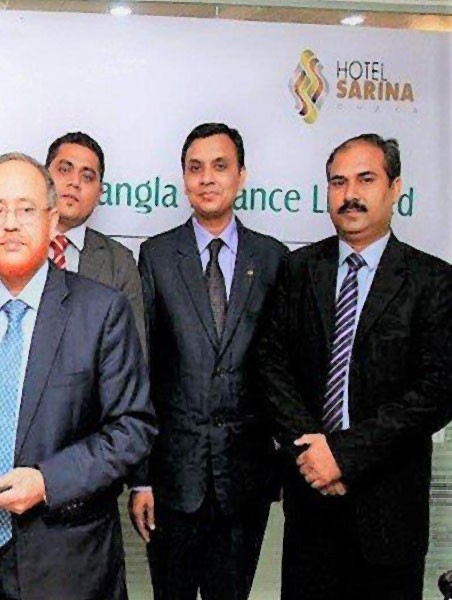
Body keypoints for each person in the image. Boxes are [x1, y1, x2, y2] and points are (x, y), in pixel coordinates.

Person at [0, 152, 155, 600]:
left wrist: (47, 481)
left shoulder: (101, 311)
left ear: (52, 220)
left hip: (69, 564)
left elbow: (132, 428)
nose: (11, 223)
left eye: (25, 209)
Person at [254, 134, 452, 599]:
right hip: (310, 505)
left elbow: (436, 392)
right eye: (338, 182)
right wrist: (311, 451)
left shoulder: (433, 281)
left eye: (365, 179)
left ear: (395, 187)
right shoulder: (298, 269)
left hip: (389, 514)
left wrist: (343, 455)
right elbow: (270, 364)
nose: (350, 195)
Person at [127, 123, 285, 600]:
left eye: (220, 166)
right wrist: (140, 479)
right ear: (183, 178)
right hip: (173, 481)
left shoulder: (273, 258)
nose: (207, 178)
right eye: (195, 168)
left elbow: (281, 369)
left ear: (241, 175)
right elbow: (141, 371)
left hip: (245, 480)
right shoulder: (156, 256)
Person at [0, 132, 145, 356]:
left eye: (87, 177)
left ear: (99, 194)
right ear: (44, 179)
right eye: (64, 170)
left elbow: (132, 354)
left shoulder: (119, 262)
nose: (74, 182)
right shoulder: (6, 246)